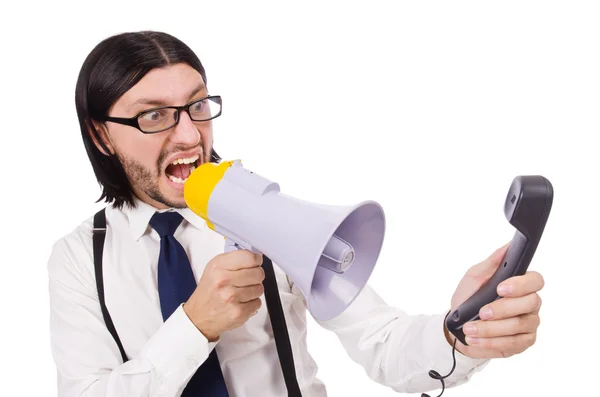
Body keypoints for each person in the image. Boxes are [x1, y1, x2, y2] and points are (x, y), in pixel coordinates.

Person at [47, 30, 545, 397]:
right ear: (101, 135)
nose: (188, 136)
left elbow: (383, 345)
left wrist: (460, 329)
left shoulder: (265, 216)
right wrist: (196, 325)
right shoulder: (77, 258)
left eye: (197, 106)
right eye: (154, 114)